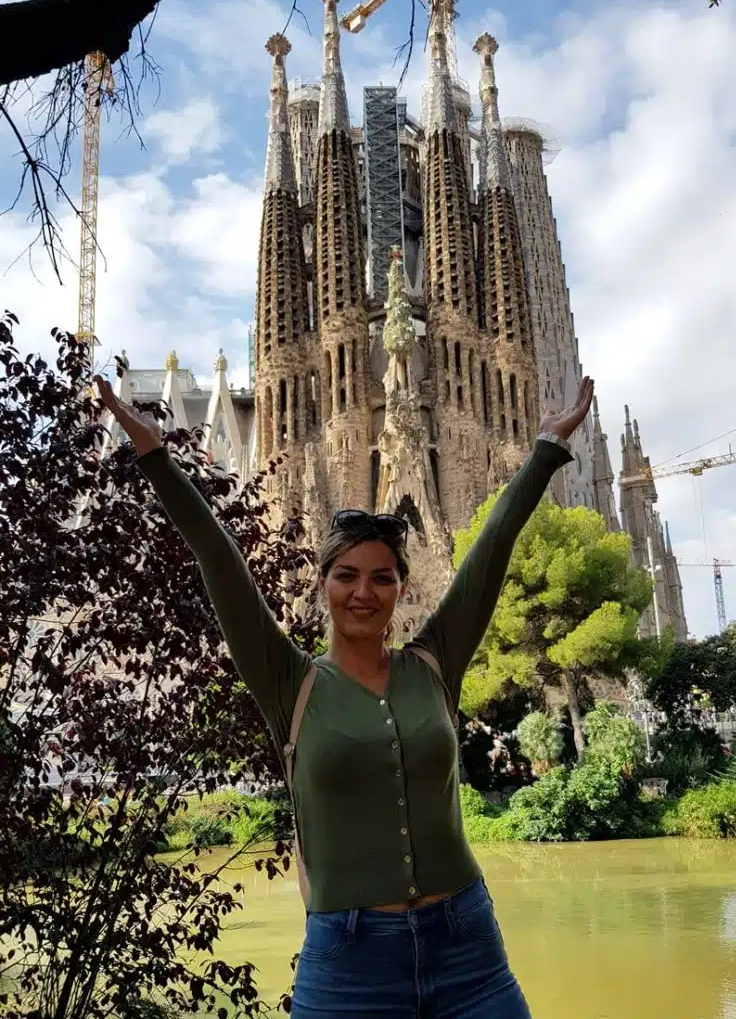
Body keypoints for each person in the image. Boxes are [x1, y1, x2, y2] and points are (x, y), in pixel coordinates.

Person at [94, 373, 594, 1019]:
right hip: (350, 964)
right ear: (324, 582)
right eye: (347, 576)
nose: (365, 593)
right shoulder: (290, 682)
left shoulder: (435, 663)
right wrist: (157, 460)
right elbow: (218, 558)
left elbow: (492, 549)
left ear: (400, 590)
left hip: (467, 948)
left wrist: (546, 451)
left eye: (382, 578)